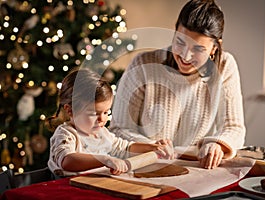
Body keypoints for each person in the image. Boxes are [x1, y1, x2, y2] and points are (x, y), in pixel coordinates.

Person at [110, 0, 245, 169]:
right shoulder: (142, 65)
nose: (185, 56)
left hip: (196, 170)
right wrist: (151, 147)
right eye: (180, 42)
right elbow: (118, 129)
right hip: (146, 166)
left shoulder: (225, 66)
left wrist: (218, 144)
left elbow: (234, 128)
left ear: (214, 48)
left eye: (198, 49)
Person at [47, 67, 175, 177]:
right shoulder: (66, 134)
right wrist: (104, 160)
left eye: (106, 112)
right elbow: (67, 161)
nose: (102, 119)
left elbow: (124, 147)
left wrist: (153, 147)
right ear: (70, 110)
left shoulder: (102, 133)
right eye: (94, 113)